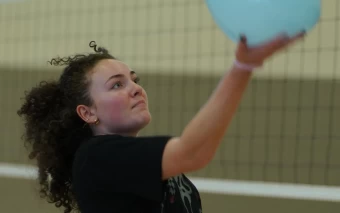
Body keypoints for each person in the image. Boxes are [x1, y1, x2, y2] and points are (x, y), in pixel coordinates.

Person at [17, 33, 304, 213]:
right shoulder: (97, 158)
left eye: (134, 80)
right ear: (88, 113)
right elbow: (194, 151)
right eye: (117, 85)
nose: (135, 88)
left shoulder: (135, 159)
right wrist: (243, 66)